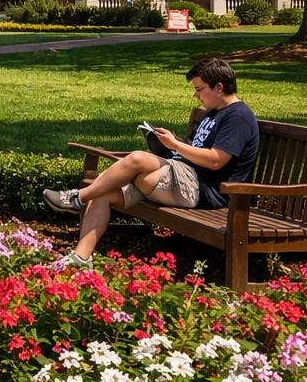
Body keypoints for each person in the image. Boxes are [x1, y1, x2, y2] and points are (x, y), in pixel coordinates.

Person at [43, 57, 260, 270]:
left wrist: (175, 145)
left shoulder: (238, 116)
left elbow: (215, 160)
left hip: (204, 191)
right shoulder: (213, 112)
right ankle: (80, 258)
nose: (195, 95)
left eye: (199, 89)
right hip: (183, 178)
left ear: (219, 87)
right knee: (101, 192)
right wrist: (168, 145)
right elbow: (196, 149)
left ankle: (76, 198)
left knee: (137, 159)